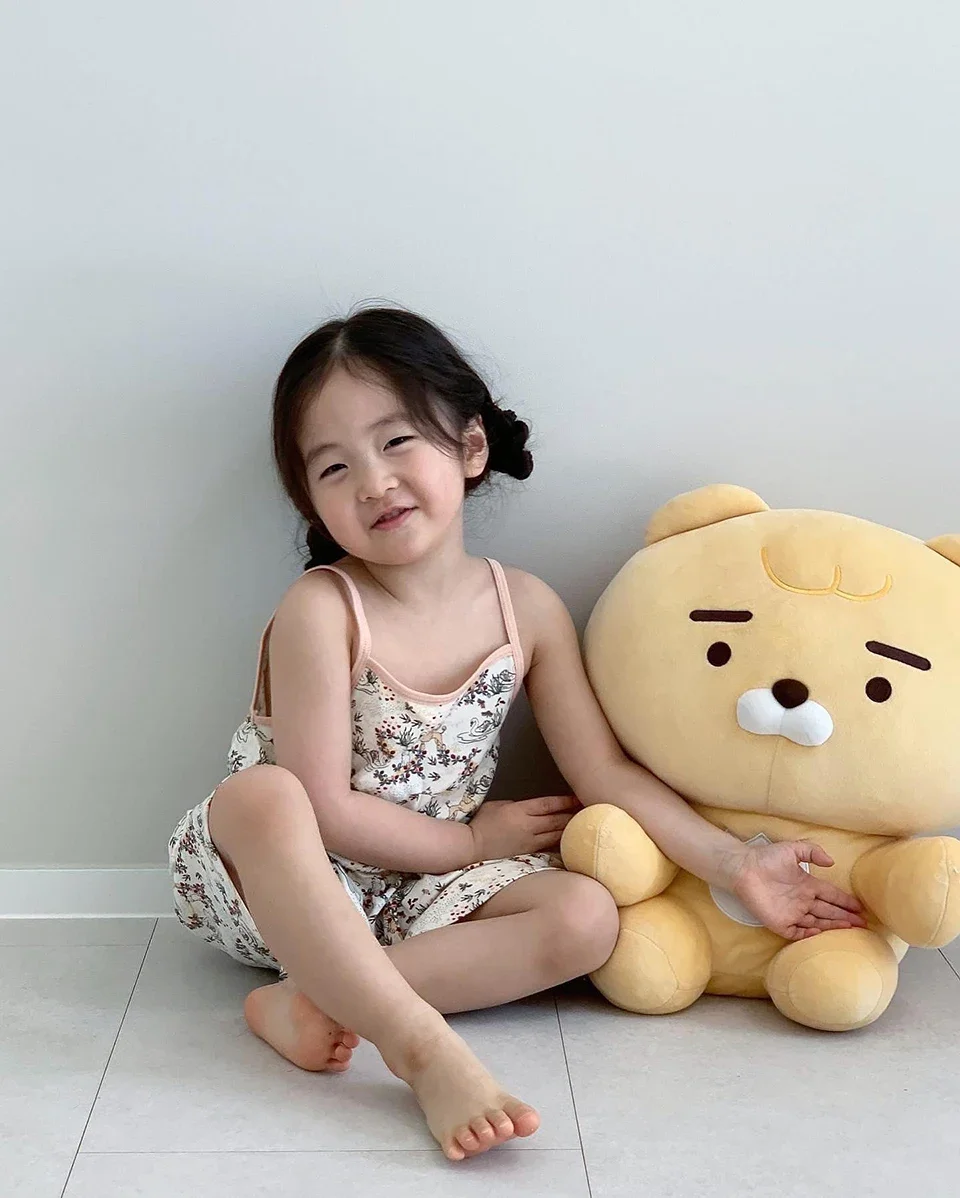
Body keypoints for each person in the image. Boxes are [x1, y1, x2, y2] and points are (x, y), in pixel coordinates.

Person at [168, 306, 865, 1162]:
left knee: (586, 916)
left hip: (421, 896)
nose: (374, 483)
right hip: (288, 886)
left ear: (469, 446)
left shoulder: (525, 609)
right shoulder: (322, 608)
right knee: (264, 797)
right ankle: (420, 1049)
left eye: (396, 442)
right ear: (310, 500)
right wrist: (467, 842)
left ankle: (312, 1000)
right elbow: (323, 809)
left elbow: (603, 771)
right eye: (335, 467)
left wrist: (736, 861)